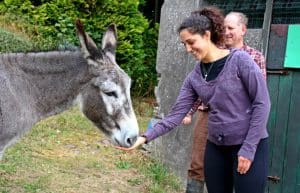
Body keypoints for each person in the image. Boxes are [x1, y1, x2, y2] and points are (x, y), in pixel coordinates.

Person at [117, 6, 270, 193]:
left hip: (248, 143)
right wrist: (144, 137)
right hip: (216, 146)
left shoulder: (241, 61)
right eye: (184, 44)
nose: (188, 49)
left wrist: (248, 148)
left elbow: (262, 103)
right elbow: (175, 115)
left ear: (207, 35)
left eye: (191, 42)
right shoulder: (195, 77)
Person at [181, 11, 268, 193]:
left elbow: (260, 98)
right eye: (224, 27)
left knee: (244, 173)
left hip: (240, 120)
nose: (226, 31)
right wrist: (188, 111)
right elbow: (198, 86)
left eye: (231, 28)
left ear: (243, 30)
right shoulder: (212, 54)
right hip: (209, 115)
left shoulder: (252, 57)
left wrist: (250, 142)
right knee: (198, 163)